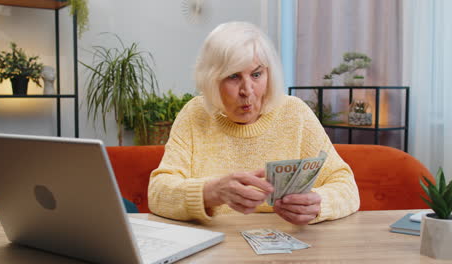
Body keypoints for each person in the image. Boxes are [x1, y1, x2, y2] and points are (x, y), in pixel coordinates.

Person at [148, 21, 360, 225]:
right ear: (211, 80)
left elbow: (347, 186)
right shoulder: (195, 114)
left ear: (269, 73)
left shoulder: (295, 113)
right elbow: (158, 193)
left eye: (256, 74)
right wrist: (211, 192)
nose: (247, 90)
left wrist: (318, 204)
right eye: (233, 76)